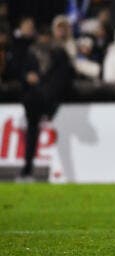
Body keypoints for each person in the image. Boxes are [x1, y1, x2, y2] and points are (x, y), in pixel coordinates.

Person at [18, 25, 73, 181]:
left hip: (52, 100)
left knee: (53, 137)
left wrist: (49, 91)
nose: (43, 40)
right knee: (32, 134)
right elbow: (22, 72)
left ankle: (59, 173)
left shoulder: (58, 53)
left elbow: (63, 77)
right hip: (34, 99)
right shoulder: (31, 53)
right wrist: (27, 77)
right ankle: (27, 169)